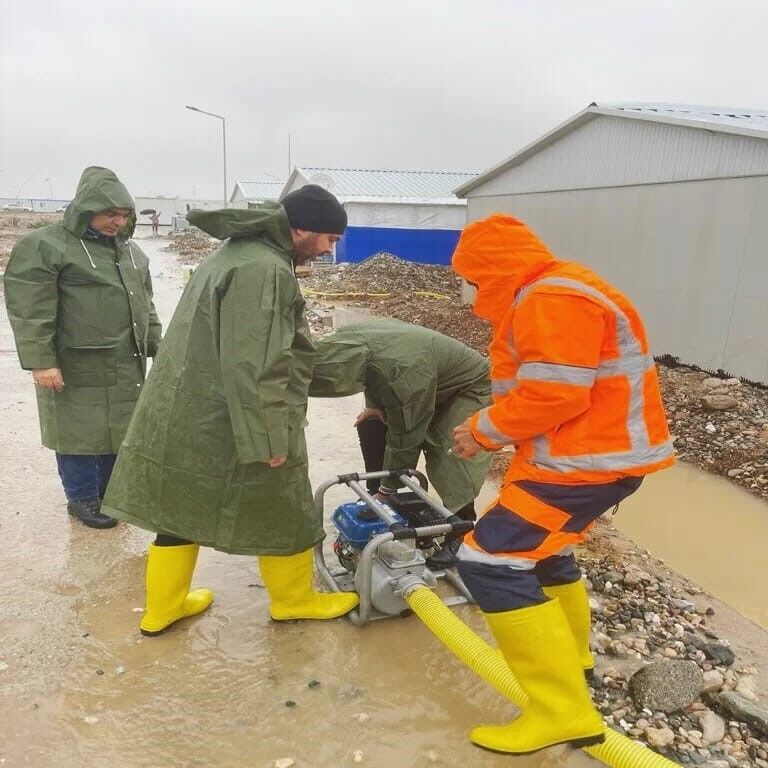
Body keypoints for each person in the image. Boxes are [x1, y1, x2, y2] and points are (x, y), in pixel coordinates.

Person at [449, 214, 675, 755]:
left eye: (474, 279)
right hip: (582, 459)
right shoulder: (555, 290)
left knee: (489, 562)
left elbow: (555, 395)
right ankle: (574, 659)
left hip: (585, 465)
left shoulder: (549, 299)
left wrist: (482, 431)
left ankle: (563, 712)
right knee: (542, 554)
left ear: (492, 271)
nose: (473, 291)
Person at [102, 185, 359, 635]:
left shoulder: (238, 252)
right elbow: (256, 362)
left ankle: (165, 607)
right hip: (234, 412)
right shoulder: (264, 269)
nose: (329, 249)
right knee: (284, 504)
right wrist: (268, 435)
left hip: (191, 406)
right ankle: (294, 600)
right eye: (329, 238)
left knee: (179, 506)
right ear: (300, 229)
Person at [3, 166, 162, 529]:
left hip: (125, 359)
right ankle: (82, 497)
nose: (117, 222)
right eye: (109, 214)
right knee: (78, 431)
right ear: (86, 208)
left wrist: (159, 346)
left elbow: (146, 303)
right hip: (76, 360)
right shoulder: (46, 245)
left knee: (118, 429)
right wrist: (41, 361)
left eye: (123, 215)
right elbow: (29, 307)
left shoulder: (132, 252)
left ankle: (109, 493)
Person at [309, 318, 492, 568]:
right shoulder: (340, 344)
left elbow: (407, 432)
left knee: (450, 447)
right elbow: (371, 371)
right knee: (371, 422)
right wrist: (373, 405)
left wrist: (391, 486)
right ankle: (376, 498)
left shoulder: (403, 369)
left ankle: (462, 533)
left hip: (467, 387)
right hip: (422, 378)